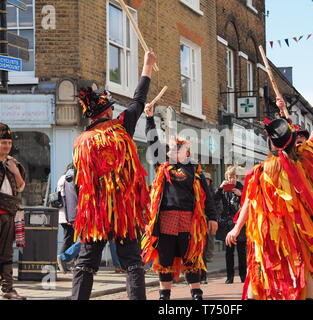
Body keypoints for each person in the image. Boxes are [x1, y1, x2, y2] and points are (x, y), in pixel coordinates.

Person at [226, 89, 313, 300]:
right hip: (299, 229)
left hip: (269, 232)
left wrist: (237, 227)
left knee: (259, 269)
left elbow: (249, 203)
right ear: (294, 139)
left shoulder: (263, 170)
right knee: (303, 269)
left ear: (272, 144)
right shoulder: (304, 159)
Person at [70, 50, 157, 300]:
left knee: (85, 263)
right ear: (107, 112)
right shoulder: (121, 127)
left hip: (95, 210)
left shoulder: (82, 142)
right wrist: (147, 66)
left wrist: (83, 209)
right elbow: (138, 101)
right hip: (123, 209)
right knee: (132, 262)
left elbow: (79, 181)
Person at [142, 103, 218, 300]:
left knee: (191, 256)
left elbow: (207, 196)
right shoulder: (163, 166)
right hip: (166, 218)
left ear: (187, 153)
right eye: (173, 147)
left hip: (188, 219)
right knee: (165, 258)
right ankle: (164, 294)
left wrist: (212, 217)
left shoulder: (194, 170)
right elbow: (152, 142)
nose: (174, 149)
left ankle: (196, 292)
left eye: (178, 147)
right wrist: (149, 118)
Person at [0, 123, 26, 300]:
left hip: (8, 215)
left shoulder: (13, 163)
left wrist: (15, 172)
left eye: (9, 142)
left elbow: (21, 186)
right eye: (3, 142)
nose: (7, 145)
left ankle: (8, 289)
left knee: (7, 254)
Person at [215, 166, 246, 284]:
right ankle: (230, 277)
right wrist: (220, 188)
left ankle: (243, 276)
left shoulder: (241, 187)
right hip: (227, 224)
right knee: (229, 252)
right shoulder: (224, 189)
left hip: (239, 223)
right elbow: (214, 199)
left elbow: (250, 201)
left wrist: (240, 194)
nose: (231, 179)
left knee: (241, 251)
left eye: (233, 177)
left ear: (236, 177)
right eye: (229, 177)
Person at [200, 172, 219, 285]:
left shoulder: (210, 192)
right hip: (192, 221)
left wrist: (213, 218)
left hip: (205, 222)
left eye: (208, 180)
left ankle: (203, 276)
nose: (206, 182)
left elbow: (214, 205)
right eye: (205, 180)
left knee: (203, 248)